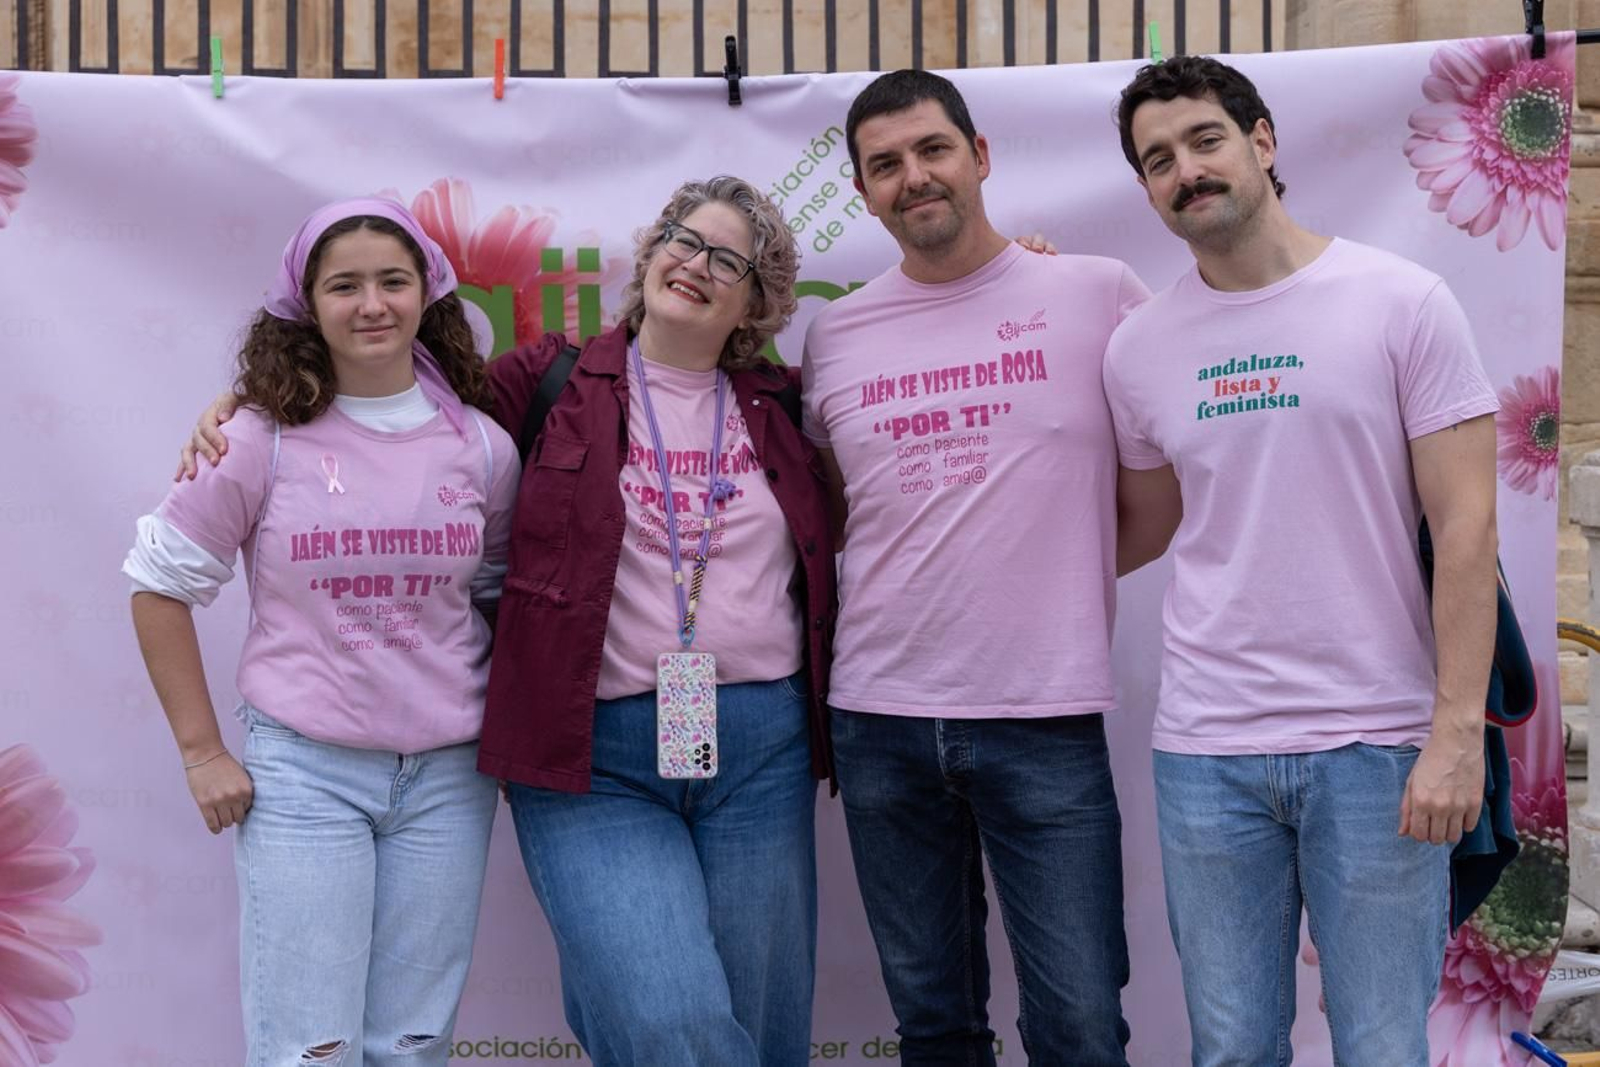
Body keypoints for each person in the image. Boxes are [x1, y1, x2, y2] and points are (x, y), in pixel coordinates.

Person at [181, 176, 836, 1067]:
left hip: (760, 745)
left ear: (758, 298)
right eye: (684, 238)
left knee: (765, 1025)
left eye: (730, 259)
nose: (696, 264)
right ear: (650, 252)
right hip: (591, 749)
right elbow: (386, 411)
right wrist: (239, 411)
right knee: (664, 1017)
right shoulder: (546, 380)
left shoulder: (786, 404)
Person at [1105, 56, 1497, 1064]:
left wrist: (1452, 733)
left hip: (1376, 744)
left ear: (1262, 142)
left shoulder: (1402, 301)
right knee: (1232, 1047)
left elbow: (1466, 526)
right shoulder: (1138, 347)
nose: (1184, 171)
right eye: (1157, 160)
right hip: (1205, 749)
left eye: (1203, 140)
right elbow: (1142, 525)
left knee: (1378, 1045)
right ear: (1146, 190)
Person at [800, 69, 1157, 1065]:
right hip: (878, 718)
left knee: (1080, 1023)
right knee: (934, 1023)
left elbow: (1154, 502)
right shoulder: (836, 335)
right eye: (885, 164)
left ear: (979, 155)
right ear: (864, 191)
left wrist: (1042, 569)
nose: (913, 177)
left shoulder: (1095, 294)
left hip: (1044, 715)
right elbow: (842, 517)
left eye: (931, 149)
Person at [128, 199, 520, 1066]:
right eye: (344, 285)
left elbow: (490, 596)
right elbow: (159, 585)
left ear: (430, 293)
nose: (371, 303)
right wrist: (202, 752)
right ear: (307, 303)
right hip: (304, 776)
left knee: (412, 1045)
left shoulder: (486, 449)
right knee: (312, 1047)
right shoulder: (255, 438)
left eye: (393, 280)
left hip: (449, 783)